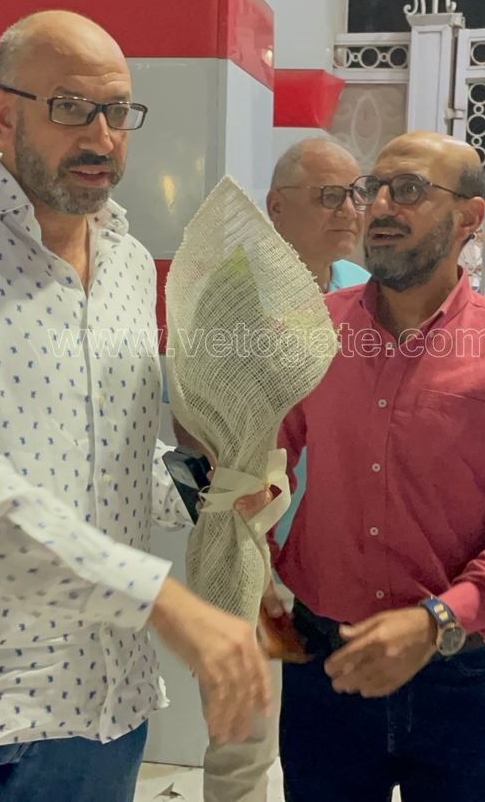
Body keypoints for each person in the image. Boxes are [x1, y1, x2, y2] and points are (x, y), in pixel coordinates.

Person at [0, 10, 270, 802]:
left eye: (117, 111)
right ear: (4, 115)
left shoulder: (128, 262)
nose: (101, 136)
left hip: (96, 705)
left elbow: (112, 464)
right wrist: (155, 595)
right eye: (71, 108)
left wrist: (213, 487)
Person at [271, 131, 485, 801]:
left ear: (469, 217)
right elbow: (262, 467)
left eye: (408, 190)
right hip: (326, 665)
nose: (379, 207)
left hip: (459, 677)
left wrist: (439, 620)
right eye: (373, 189)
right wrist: (251, 573)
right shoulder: (309, 331)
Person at [197, 136, 369, 802]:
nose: (348, 210)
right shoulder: (233, 295)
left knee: (335, 739)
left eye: (355, 194)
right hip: (251, 544)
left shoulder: (363, 289)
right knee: (244, 737)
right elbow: (196, 421)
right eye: (328, 196)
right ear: (275, 207)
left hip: (339, 551)